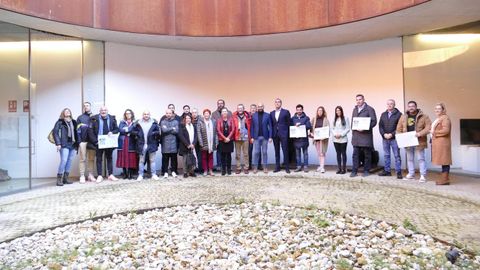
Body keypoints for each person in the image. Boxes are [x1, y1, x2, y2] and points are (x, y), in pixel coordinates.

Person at [396, 101, 432, 182]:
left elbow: (428, 127)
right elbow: (399, 128)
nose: (411, 108)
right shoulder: (403, 116)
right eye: (409, 106)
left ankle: (423, 175)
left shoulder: (424, 116)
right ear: (407, 107)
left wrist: (420, 133)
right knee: (409, 158)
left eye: (413, 106)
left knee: (421, 158)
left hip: (419, 140)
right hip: (408, 140)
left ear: (416, 107)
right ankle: (411, 174)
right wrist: (401, 137)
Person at [350, 94, 377, 177]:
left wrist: (365, 128)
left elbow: (374, 121)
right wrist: (353, 129)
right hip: (356, 136)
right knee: (355, 155)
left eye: (360, 99)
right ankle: (354, 171)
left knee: (367, 155)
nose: (358, 101)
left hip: (366, 136)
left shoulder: (370, 109)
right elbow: (353, 122)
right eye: (357, 100)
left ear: (363, 99)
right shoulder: (355, 109)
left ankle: (366, 171)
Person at [91, 106, 119, 183]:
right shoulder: (94, 118)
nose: (103, 111)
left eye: (105, 110)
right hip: (99, 142)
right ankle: (100, 175)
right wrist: (95, 141)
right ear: (99, 111)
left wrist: (112, 132)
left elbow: (117, 129)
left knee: (109, 158)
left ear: (107, 111)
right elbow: (90, 131)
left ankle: (110, 175)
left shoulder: (112, 118)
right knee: (99, 159)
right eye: (102, 110)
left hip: (109, 142)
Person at [53, 108, 79, 186]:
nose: (67, 112)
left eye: (69, 111)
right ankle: (59, 179)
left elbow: (77, 133)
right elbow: (55, 133)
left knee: (69, 161)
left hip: (72, 144)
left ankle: (65, 178)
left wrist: (78, 144)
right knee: (64, 160)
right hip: (64, 144)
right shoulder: (59, 122)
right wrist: (58, 143)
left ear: (70, 113)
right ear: (63, 113)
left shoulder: (74, 122)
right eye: (66, 111)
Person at [378, 99, 403, 179]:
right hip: (385, 138)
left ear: (394, 105)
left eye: (391, 104)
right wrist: (384, 134)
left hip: (394, 139)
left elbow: (400, 127)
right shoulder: (383, 114)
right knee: (386, 155)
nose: (389, 105)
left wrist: (392, 134)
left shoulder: (399, 114)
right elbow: (380, 126)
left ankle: (398, 172)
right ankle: (387, 171)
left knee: (397, 156)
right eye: (388, 104)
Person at [133, 110, 160, 181]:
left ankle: (153, 174)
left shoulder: (154, 123)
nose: (146, 115)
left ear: (149, 115)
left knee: (152, 160)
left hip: (151, 144)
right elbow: (133, 131)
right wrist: (138, 134)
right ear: (142, 115)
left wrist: (154, 133)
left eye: (147, 114)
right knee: (141, 161)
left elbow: (159, 131)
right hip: (142, 144)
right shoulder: (138, 123)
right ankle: (140, 175)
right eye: (144, 114)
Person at [431, 103, 451, 185]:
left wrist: (434, 132)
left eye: (439, 108)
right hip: (439, 142)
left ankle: (445, 180)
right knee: (443, 161)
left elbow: (446, 130)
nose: (437, 110)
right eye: (436, 108)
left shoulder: (445, 118)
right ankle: (445, 179)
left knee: (445, 161)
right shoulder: (439, 118)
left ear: (443, 110)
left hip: (443, 143)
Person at [76, 102, 95, 183]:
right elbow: (77, 131)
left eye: (87, 105)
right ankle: (82, 175)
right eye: (84, 106)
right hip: (83, 142)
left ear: (90, 106)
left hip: (92, 142)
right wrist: (79, 142)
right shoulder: (80, 117)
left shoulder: (95, 117)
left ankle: (90, 175)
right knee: (82, 159)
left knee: (91, 159)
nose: (86, 107)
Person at [270, 98, 291, 173]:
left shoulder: (286, 112)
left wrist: (287, 133)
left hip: (284, 134)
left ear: (281, 103)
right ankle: (277, 167)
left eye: (279, 102)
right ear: (274, 104)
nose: (277, 103)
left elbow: (289, 123)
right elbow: (271, 125)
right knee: (276, 151)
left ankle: (287, 167)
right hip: (275, 134)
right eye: (276, 102)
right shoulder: (271, 113)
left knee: (285, 150)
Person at [250, 103, 272, 174]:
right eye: (259, 106)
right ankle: (255, 168)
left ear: (263, 107)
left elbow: (270, 127)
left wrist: (270, 137)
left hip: (265, 137)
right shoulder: (254, 115)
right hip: (256, 137)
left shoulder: (267, 115)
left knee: (264, 152)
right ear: (257, 108)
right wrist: (252, 137)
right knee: (256, 152)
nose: (260, 108)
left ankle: (265, 167)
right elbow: (252, 127)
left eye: (261, 106)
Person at [117, 109, 138, 180]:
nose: (128, 115)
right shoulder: (122, 122)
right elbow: (120, 130)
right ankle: (125, 173)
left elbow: (134, 130)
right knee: (123, 157)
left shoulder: (135, 122)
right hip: (123, 142)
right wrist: (128, 130)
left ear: (132, 114)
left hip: (131, 142)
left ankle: (130, 174)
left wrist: (127, 129)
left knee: (130, 158)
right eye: (126, 114)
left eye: (129, 113)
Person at [212, 99, 232, 172]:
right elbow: (214, 125)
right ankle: (219, 166)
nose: (220, 104)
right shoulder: (214, 114)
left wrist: (228, 137)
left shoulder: (229, 113)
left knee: (228, 152)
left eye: (221, 103)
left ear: (224, 104)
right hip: (218, 135)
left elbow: (232, 124)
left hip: (229, 136)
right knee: (219, 151)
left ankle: (227, 166)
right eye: (219, 103)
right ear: (217, 104)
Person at [291, 104, 312, 172]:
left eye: (300, 110)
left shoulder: (306, 118)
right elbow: (290, 127)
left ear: (302, 110)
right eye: (297, 110)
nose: (299, 111)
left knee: (305, 154)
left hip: (304, 139)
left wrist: (301, 125)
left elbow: (309, 126)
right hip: (296, 139)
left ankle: (305, 166)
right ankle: (298, 166)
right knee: (297, 154)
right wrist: (294, 125)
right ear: (296, 110)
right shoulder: (293, 118)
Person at [197, 109, 218, 176]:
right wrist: (201, 142)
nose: (206, 115)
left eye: (208, 113)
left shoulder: (213, 121)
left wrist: (216, 141)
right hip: (204, 142)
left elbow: (216, 132)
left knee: (211, 157)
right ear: (203, 115)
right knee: (204, 157)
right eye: (205, 113)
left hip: (212, 142)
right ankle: (205, 170)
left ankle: (210, 170)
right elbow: (199, 133)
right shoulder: (200, 122)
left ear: (210, 114)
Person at [232, 104, 251, 174]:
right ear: (237, 109)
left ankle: (246, 167)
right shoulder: (234, 116)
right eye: (238, 108)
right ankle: (238, 168)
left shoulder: (248, 116)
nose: (240, 109)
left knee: (246, 154)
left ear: (243, 109)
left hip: (246, 137)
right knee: (237, 154)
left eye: (241, 108)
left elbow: (250, 125)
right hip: (237, 137)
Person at [331, 106, 350, 174]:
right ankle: (339, 168)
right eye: (337, 110)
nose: (338, 112)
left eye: (339, 110)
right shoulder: (334, 119)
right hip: (335, 139)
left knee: (343, 153)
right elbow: (332, 128)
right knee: (338, 154)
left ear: (341, 111)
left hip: (343, 139)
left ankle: (344, 169)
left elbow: (348, 128)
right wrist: (335, 134)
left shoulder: (345, 118)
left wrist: (341, 134)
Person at [178, 114, 198, 178]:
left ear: (191, 119)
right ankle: (185, 172)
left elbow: (196, 136)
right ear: (184, 119)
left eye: (189, 118)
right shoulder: (182, 126)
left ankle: (191, 172)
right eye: (186, 118)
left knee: (192, 159)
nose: (188, 119)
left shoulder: (194, 126)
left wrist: (193, 144)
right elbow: (181, 136)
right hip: (185, 146)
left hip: (192, 146)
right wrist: (188, 144)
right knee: (185, 160)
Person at [310, 106, 329, 173]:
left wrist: (325, 136)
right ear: (317, 112)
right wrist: (311, 133)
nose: (320, 112)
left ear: (323, 112)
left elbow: (327, 129)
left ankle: (322, 167)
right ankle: (320, 166)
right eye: (318, 110)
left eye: (321, 110)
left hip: (322, 139)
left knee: (322, 153)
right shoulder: (314, 119)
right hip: (316, 139)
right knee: (318, 153)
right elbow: (310, 127)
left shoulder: (325, 119)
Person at [216, 108, 235, 175]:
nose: (224, 112)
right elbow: (218, 130)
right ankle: (223, 170)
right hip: (222, 140)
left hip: (230, 140)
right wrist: (224, 138)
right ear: (221, 113)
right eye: (223, 111)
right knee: (222, 156)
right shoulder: (219, 120)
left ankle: (229, 169)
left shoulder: (231, 120)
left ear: (227, 113)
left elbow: (233, 129)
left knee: (229, 155)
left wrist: (228, 138)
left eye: (225, 111)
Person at [248, 104, 262, 171]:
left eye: (254, 108)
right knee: (249, 151)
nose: (253, 109)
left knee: (258, 151)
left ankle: (259, 165)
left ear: (256, 109)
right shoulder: (247, 116)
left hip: (257, 136)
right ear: (250, 109)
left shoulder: (258, 115)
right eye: (252, 108)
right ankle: (249, 165)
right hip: (249, 136)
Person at [191, 108, 203, 174]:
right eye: (193, 112)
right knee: (193, 155)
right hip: (193, 141)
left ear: (197, 113)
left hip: (200, 140)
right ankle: (194, 168)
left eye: (195, 112)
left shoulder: (201, 120)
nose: (194, 114)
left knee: (200, 155)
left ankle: (200, 168)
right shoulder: (190, 120)